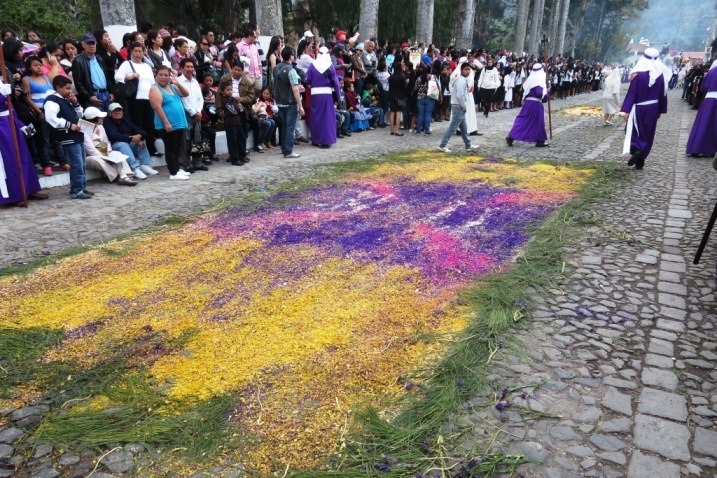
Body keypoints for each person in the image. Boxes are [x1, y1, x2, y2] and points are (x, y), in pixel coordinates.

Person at [621, 47, 669, 170]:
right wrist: (660, 110)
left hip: (638, 108)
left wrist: (626, 109)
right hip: (653, 108)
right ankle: (641, 160)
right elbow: (662, 94)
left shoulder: (637, 75)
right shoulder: (660, 76)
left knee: (634, 130)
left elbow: (632, 93)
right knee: (648, 133)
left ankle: (636, 149)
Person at [44, 76, 91, 199]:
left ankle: (81, 186)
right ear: (58, 88)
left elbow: (80, 114)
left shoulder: (66, 100)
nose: (70, 91)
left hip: (77, 135)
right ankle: (76, 190)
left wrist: (75, 103)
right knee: (76, 164)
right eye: (67, 88)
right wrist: (69, 125)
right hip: (67, 136)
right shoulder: (52, 100)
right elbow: (51, 118)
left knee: (81, 164)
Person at [0, 86, 48, 205]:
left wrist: (20, 124)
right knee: (10, 160)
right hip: (2, 127)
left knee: (24, 157)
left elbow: (9, 106)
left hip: (11, 122)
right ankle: (15, 195)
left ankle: (29, 189)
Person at [115, 42, 159, 156]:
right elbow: (117, 76)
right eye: (136, 51)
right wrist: (129, 77)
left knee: (150, 125)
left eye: (140, 51)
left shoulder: (147, 66)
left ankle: (152, 148)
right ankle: (140, 150)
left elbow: (153, 83)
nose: (138, 53)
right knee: (138, 125)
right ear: (132, 52)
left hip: (148, 99)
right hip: (135, 99)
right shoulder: (126, 64)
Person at [149, 66, 190, 180]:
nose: (163, 77)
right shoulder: (155, 89)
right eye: (161, 74)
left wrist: (178, 83)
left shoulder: (172, 86)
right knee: (171, 148)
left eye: (166, 75)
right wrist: (166, 123)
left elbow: (186, 94)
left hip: (179, 123)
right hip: (167, 125)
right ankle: (173, 172)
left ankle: (177, 169)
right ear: (156, 76)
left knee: (177, 148)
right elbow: (157, 107)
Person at [81, 107, 137, 186]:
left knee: (116, 154)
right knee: (95, 159)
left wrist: (109, 151)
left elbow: (106, 141)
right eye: (100, 117)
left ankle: (125, 176)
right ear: (94, 119)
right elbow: (91, 150)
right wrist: (106, 157)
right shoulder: (84, 130)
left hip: (104, 151)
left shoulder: (100, 127)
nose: (102, 119)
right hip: (90, 156)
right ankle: (117, 176)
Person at [103, 103, 158, 179]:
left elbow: (142, 132)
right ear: (110, 113)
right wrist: (131, 138)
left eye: (120, 110)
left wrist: (139, 137)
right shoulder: (106, 122)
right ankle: (134, 168)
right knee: (123, 144)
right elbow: (113, 135)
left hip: (127, 143)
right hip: (113, 147)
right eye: (115, 111)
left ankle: (144, 165)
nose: (118, 112)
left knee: (140, 142)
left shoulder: (125, 121)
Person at [304, 46, 341, 148]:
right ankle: (326, 140)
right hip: (326, 96)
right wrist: (338, 96)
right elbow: (336, 83)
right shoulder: (330, 66)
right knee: (326, 118)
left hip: (315, 96)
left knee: (316, 117)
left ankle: (316, 139)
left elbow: (306, 79)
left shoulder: (313, 65)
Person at [506, 63, 549, 148]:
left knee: (523, 120)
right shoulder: (539, 80)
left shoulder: (531, 79)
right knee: (538, 122)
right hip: (535, 104)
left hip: (528, 103)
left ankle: (540, 140)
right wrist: (547, 90)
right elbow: (539, 93)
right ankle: (539, 140)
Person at [178, 58, 210, 171]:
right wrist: (193, 112)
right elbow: (183, 100)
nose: (190, 69)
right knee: (185, 139)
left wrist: (199, 111)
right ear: (182, 68)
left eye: (192, 67)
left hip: (197, 114)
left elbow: (200, 98)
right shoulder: (178, 82)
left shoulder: (195, 81)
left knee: (197, 138)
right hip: (186, 114)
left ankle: (197, 162)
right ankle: (187, 163)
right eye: (187, 67)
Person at [272, 47, 304, 158]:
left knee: (284, 126)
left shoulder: (275, 68)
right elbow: (295, 89)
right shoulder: (291, 70)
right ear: (291, 56)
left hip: (280, 102)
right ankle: (288, 151)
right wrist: (300, 105)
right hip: (290, 102)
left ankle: (284, 148)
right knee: (290, 127)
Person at [437, 63, 475, 153]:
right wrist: (463, 106)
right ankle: (442, 145)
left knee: (464, 127)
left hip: (456, 105)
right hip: (458, 106)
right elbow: (459, 95)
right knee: (453, 127)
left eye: (469, 69)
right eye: (466, 69)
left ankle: (468, 145)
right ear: (461, 70)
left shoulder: (459, 79)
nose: (467, 71)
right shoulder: (461, 81)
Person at [72, 33, 114, 110]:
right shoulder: (78, 61)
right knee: (96, 120)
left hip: (106, 93)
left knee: (108, 120)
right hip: (94, 94)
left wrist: (111, 92)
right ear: (83, 44)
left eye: (93, 43)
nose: (91, 46)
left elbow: (107, 77)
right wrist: (89, 96)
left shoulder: (99, 58)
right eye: (88, 43)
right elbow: (78, 83)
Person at [686, 61, 717, 157]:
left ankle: (696, 147)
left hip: (708, 99)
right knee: (713, 126)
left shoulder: (711, 71)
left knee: (703, 124)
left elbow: (703, 87)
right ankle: (711, 149)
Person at [218, 79, 248, 166]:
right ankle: (234, 158)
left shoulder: (234, 99)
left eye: (231, 90)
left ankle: (242, 156)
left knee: (241, 138)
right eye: (227, 90)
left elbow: (241, 109)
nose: (230, 92)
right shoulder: (224, 100)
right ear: (223, 91)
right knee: (232, 141)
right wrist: (237, 107)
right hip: (230, 123)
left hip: (238, 122)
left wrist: (238, 107)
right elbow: (232, 111)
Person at [237, 28, 262, 94]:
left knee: (257, 94)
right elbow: (237, 61)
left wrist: (260, 73)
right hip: (247, 75)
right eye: (254, 37)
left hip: (257, 75)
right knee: (247, 93)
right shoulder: (239, 46)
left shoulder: (254, 46)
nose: (255, 39)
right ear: (250, 36)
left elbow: (259, 61)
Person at [388, 61, 408, 136]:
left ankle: (392, 130)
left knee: (392, 112)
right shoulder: (402, 76)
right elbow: (404, 87)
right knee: (398, 112)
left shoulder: (391, 76)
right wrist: (407, 82)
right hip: (400, 96)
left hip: (392, 95)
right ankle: (397, 130)